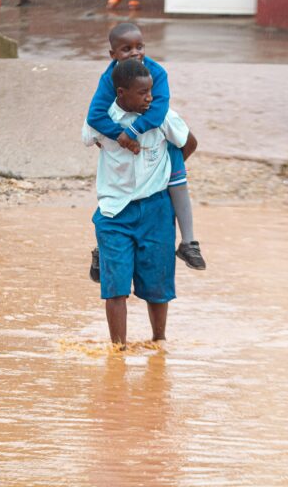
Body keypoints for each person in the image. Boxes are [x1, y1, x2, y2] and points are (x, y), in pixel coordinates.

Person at [82, 59, 197, 346]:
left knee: (158, 285)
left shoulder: (163, 117)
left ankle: (159, 342)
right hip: (113, 212)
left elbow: (189, 142)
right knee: (115, 288)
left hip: (157, 211)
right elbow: (89, 136)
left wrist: (167, 171)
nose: (150, 98)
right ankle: (118, 350)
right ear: (121, 93)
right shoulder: (102, 120)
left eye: (151, 91)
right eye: (142, 93)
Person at [86, 23, 206, 284]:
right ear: (113, 55)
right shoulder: (109, 79)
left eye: (139, 46)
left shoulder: (157, 73)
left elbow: (158, 110)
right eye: (126, 48)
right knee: (118, 193)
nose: (135, 52)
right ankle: (102, 249)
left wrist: (134, 135)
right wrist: (120, 136)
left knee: (177, 183)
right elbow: (94, 116)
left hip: (156, 136)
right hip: (124, 147)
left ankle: (189, 242)